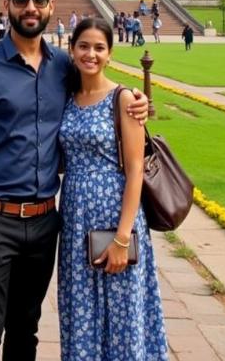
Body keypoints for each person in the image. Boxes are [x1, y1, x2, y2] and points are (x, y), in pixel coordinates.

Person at [0, 0, 149, 361]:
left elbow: (98, 90)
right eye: (21, 0)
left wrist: (134, 101)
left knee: (26, 330)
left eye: (38, 0)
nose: (30, 7)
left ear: (52, 5)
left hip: (44, 222)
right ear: (6, 5)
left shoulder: (62, 68)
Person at [59, 18, 169, 360]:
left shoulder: (123, 99)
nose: (90, 54)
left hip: (116, 215)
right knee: (81, 309)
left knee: (123, 311)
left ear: (110, 54)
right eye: (83, 46)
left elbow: (136, 168)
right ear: (72, 50)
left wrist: (123, 238)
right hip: (76, 217)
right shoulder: (68, 97)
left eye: (99, 48)